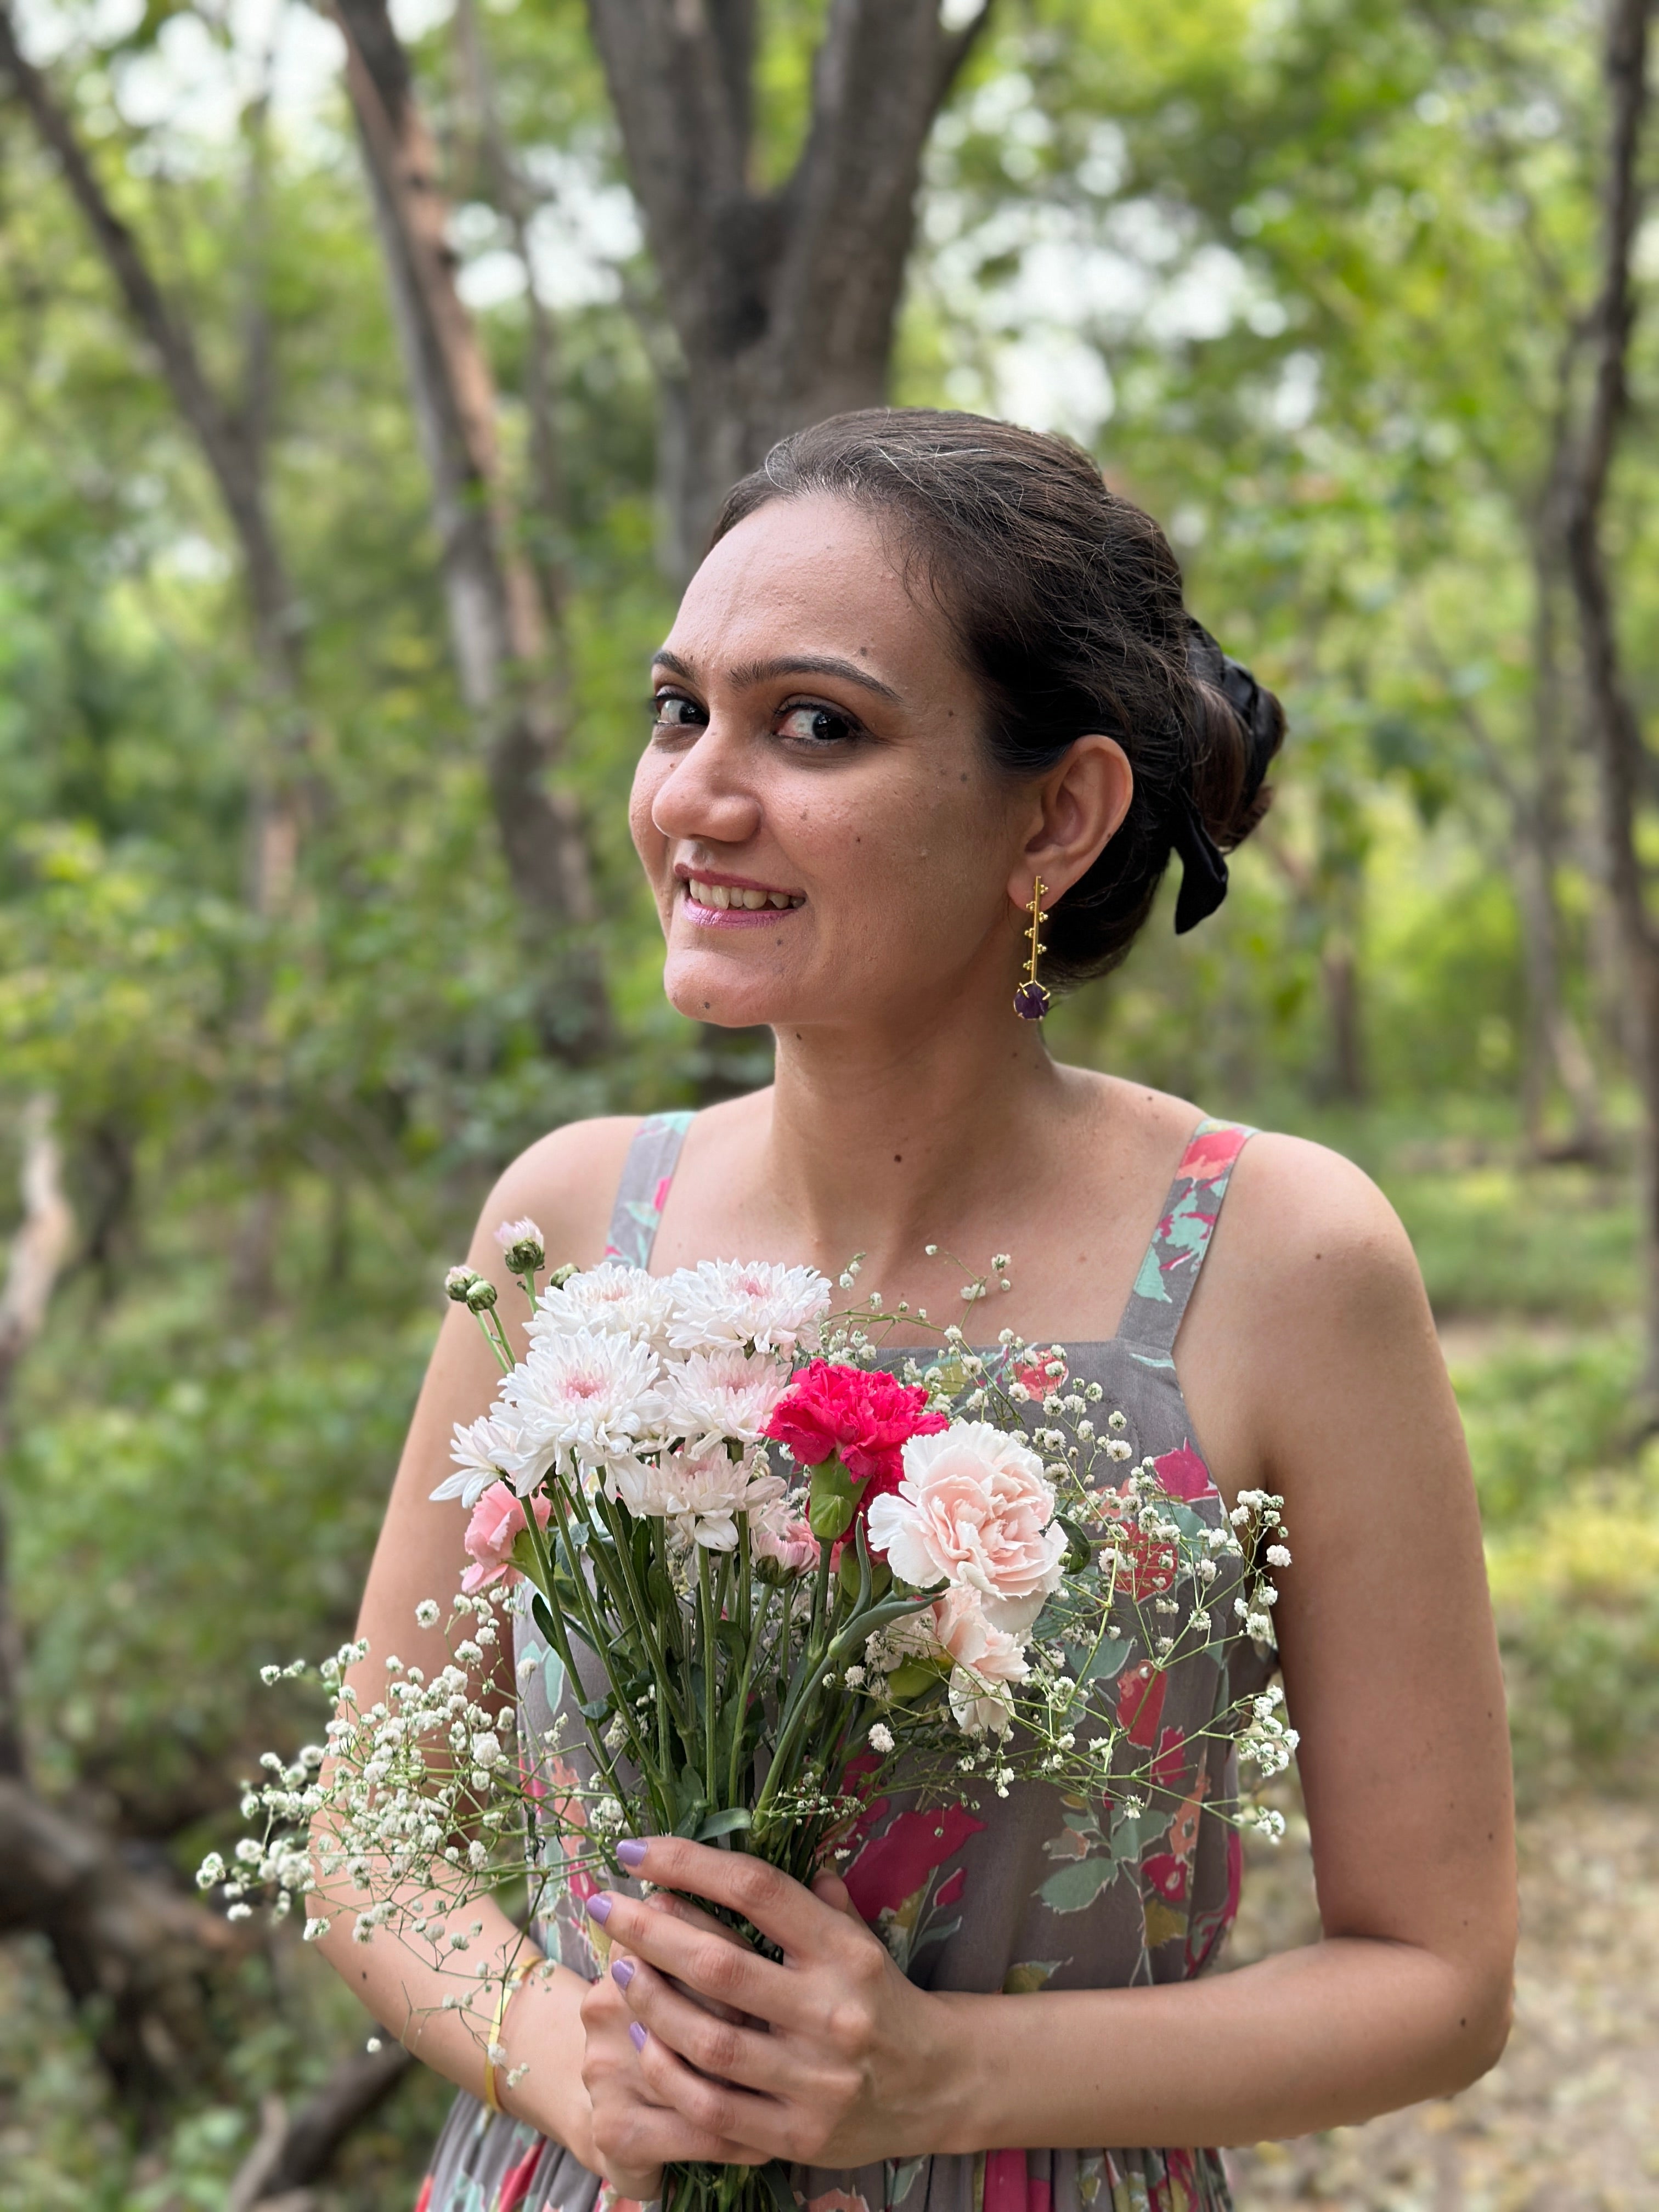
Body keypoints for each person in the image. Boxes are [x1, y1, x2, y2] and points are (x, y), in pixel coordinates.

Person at [317, 410, 1516, 2212]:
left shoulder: (1281, 1259)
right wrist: (574, 2059)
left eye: (817, 725)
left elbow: (1439, 1981)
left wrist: (942, 2081)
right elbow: (367, 1848)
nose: (702, 795)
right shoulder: (568, 1222)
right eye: (679, 711)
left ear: (1060, 813)